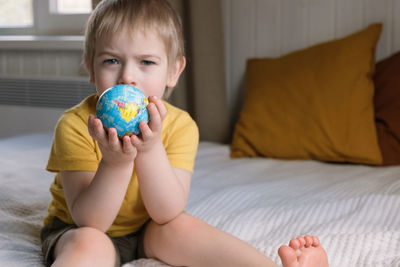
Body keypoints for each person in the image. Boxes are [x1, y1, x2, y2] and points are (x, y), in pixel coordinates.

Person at [40, 0, 329, 266]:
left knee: (181, 227)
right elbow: (91, 220)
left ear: (174, 71)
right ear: (90, 67)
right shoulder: (76, 125)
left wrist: (150, 149)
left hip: (148, 226)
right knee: (90, 244)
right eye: (111, 61)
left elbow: (166, 211)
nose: (128, 76)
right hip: (80, 226)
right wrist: (115, 163)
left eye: (147, 62)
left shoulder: (180, 126)